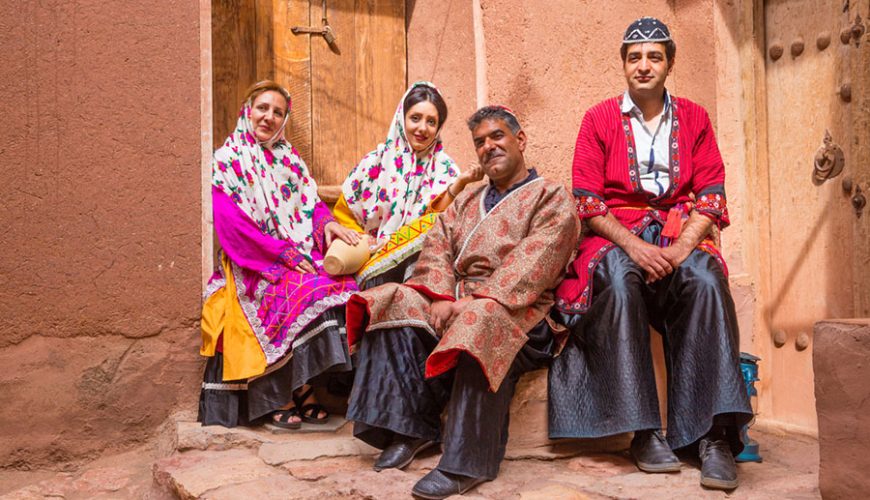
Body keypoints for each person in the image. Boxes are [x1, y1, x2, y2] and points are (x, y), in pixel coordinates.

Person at [549, 17, 752, 491]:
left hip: (680, 232)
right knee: (618, 280)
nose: (644, 66)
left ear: (669, 63)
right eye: (635, 57)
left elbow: (712, 194)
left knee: (704, 278)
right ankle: (644, 433)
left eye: (654, 57)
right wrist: (637, 246)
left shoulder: (696, 117)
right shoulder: (597, 119)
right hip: (618, 234)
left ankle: (711, 438)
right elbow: (588, 202)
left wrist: (682, 247)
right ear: (623, 64)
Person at [345, 106, 578, 499]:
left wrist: (471, 301)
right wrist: (438, 295)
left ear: (519, 141)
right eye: (480, 142)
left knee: (480, 317)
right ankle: (410, 428)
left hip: (518, 313)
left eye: (497, 136)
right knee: (391, 298)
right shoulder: (466, 200)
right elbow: (436, 246)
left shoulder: (551, 196)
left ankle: (464, 463)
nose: (489, 147)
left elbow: (535, 263)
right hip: (453, 299)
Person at [198, 80, 360, 430]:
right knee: (298, 292)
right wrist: (280, 253)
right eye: (263, 109)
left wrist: (327, 225)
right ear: (248, 111)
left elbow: (310, 204)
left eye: (277, 112)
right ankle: (279, 396)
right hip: (252, 260)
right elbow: (231, 226)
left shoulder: (289, 159)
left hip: (294, 252)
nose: (268, 117)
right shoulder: (227, 161)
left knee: (339, 285)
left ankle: (302, 387)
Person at [333, 81, 483, 289]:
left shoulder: (445, 168)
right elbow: (344, 213)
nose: (423, 128)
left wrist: (459, 184)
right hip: (373, 262)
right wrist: (362, 239)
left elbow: (437, 221)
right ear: (401, 119)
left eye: (431, 122)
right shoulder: (375, 162)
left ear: (439, 127)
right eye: (415, 118)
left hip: (420, 264)